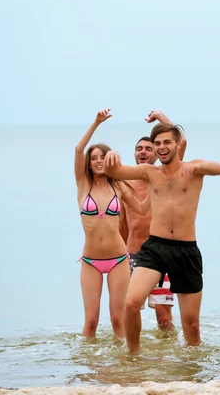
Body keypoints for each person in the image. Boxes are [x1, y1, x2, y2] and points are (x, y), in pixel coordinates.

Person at [104, 122, 220, 352]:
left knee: (192, 327)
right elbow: (115, 172)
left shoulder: (194, 168)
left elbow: (219, 168)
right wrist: (111, 157)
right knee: (131, 303)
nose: (161, 147)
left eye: (167, 142)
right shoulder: (150, 173)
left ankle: (190, 371)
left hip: (186, 250)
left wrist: (199, 166)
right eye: (157, 143)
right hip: (155, 248)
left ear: (178, 144)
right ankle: (134, 355)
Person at [74, 108, 150, 339]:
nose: (97, 162)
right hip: (90, 260)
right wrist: (96, 122)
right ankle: (87, 370)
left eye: (101, 157)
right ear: (88, 163)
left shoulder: (120, 186)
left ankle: (123, 368)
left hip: (118, 259)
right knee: (91, 321)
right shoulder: (83, 186)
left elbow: (143, 208)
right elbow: (78, 149)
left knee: (118, 320)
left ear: (109, 160)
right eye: (93, 158)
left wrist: (160, 186)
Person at [119, 110, 187, 331]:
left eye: (149, 148)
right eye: (139, 148)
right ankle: (133, 359)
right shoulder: (124, 183)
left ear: (157, 153)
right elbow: (121, 225)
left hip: (161, 255)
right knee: (128, 311)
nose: (143, 152)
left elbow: (182, 141)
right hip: (131, 255)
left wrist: (161, 117)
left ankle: (168, 359)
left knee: (164, 317)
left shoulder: (166, 177)